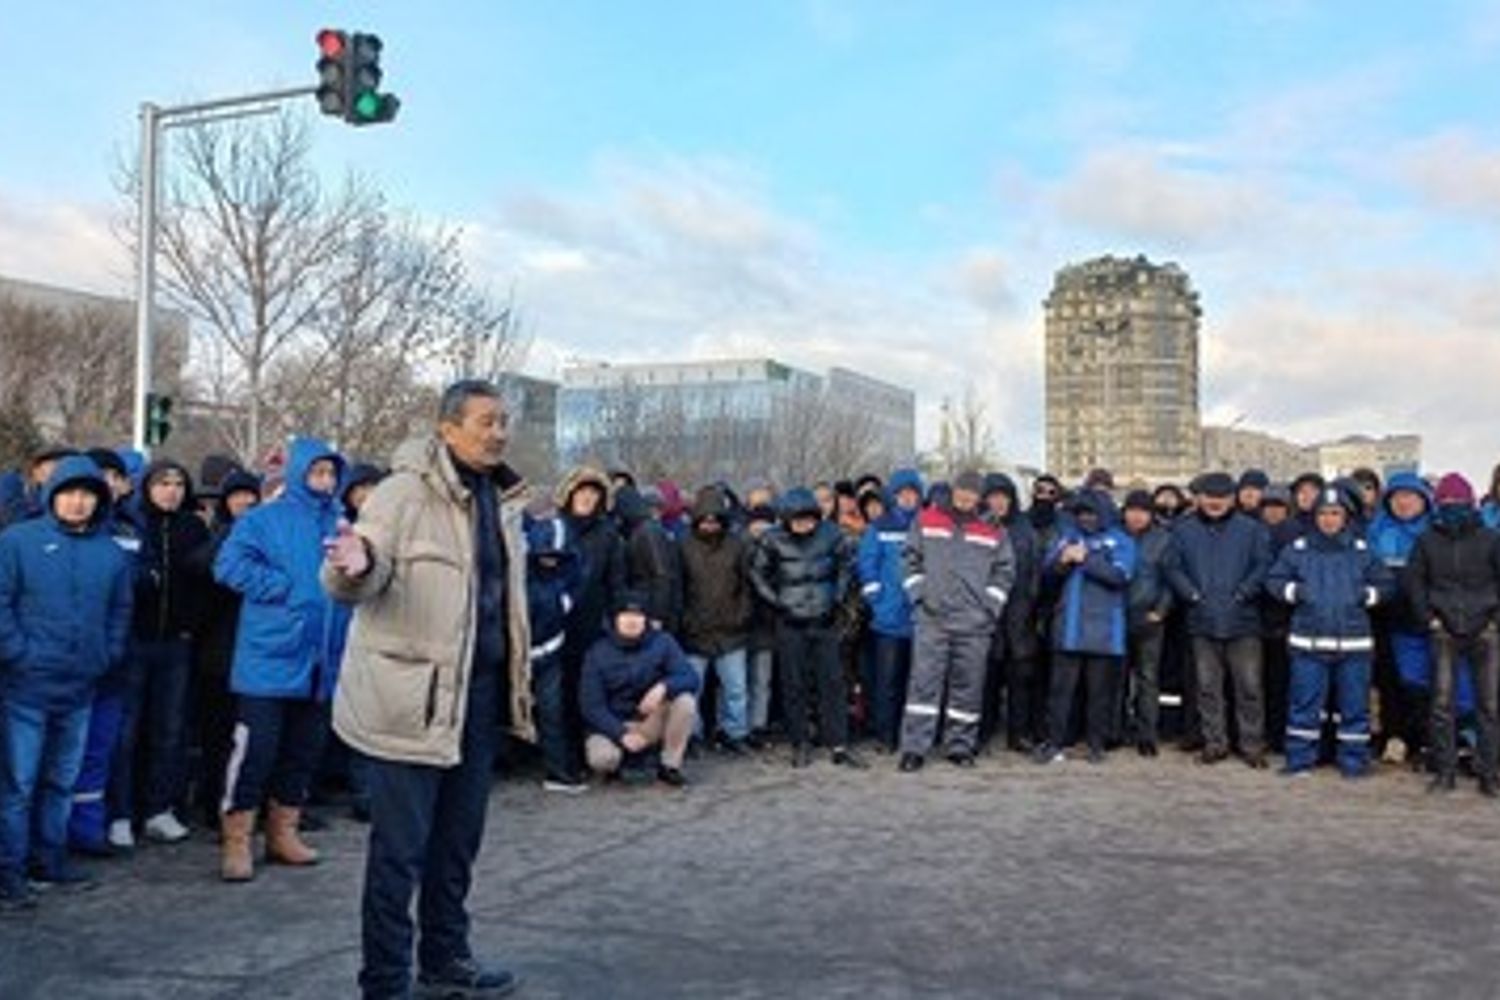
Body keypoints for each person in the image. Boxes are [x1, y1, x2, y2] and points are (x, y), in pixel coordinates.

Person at [323, 379, 533, 999]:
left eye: (503, 422)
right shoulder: (401, 493)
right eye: (485, 421)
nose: (498, 432)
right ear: (446, 428)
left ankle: (445, 960)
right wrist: (354, 565)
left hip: (479, 697)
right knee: (399, 852)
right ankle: (385, 982)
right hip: (407, 700)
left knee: (456, 845)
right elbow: (360, 568)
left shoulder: (503, 498)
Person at [0, 456, 132, 909]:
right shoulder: (17, 542)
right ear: (51, 494)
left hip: (81, 686)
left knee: (61, 780)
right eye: (69, 492)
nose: (78, 502)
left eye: (87, 493)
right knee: (19, 783)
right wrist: (18, 653)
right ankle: (10, 871)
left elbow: (120, 611)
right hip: (27, 686)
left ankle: (48, 860)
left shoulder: (111, 552)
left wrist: (106, 654)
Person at [214, 439, 346, 882]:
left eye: (330, 473)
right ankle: (236, 838)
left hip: (321, 660)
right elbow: (228, 565)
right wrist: (283, 589)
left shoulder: (342, 523)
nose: (324, 481)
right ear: (299, 474)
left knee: (302, 753)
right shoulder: (263, 519)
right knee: (255, 752)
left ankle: (282, 831)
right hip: (269, 657)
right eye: (317, 473)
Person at [1267, 487, 1396, 778]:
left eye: (1335, 513)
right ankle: (1300, 760)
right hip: (1308, 642)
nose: (1329, 519)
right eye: (1323, 513)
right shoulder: (1298, 550)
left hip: (1354, 644)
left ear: (1346, 517)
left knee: (1354, 707)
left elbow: (1387, 585)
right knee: (1304, 706)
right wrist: (1296, 592)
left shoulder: (1362, 552)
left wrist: (1366, 596)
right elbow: (1274, 580)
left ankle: (1354, 762)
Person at [115, 459, 210, 848]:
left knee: (169, 732)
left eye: (177, 482)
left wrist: (192, 625)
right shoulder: (132, 524)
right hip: (135, 642)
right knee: (127, 732)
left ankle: (158, 809)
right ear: (146, 486)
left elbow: (206, 582)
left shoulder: (193, 527)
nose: (171, 490)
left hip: (176, 644)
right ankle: (120, 812)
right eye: (162, 482)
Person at [896, 471, 1015, 771]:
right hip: (932, 619)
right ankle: (914, 749)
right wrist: (920, 597)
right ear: (953, 491)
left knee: (968, 687)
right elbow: (910, 558)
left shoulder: (994, 529)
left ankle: (960, 747)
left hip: (974, 624)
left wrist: (989, 608)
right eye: (961, 492)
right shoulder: (926, 519)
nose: (966, 498)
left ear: (980, 497)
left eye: (972, 494)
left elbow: (1005, 571)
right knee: (923, 685)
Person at [751, 488, 865, 770]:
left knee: (833, 685)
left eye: (809, 519)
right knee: (794, 685)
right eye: (798, 519)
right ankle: (799, 742)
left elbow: (846, 566)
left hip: (825, 620)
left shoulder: (832, 534)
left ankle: (838, 743)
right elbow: (757, 573)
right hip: (790, 622)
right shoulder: (772, 539)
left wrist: (837, 596)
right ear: (787, 519)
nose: (804, 525)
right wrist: (777, 602)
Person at [1167, 472, 1272, 768]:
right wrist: (1192, 595)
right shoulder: (1183, 530)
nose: (1215, 503)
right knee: (1207, 687)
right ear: (1199, 498)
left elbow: (1263, 565)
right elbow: (1172, 567)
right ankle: (1215, 743)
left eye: (1222, 497)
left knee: (1249, 687)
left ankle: (1251, 744)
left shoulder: (1251, 530)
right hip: (1202, 619)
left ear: (1232, 498)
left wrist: (1244, 593)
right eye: (1209, 497)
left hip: (1244, 620)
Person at [1404, 473, 1500, 796]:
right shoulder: (1427, 540)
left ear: (1471, 503)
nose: (1453, 508)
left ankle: (1489, 773)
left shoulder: (1490, 538)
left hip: (1485, 627)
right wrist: (1429, 618)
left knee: (1489, 705)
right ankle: (1445, 772)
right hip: (1443, 628)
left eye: (1459, 503)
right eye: (1446, 503)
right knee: (1442, 704)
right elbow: (1414, 582)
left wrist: (1495, 619)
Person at [180, 469, 261, 830]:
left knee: (250, 738)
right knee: (217, 736)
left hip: (255, 651)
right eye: (236, 496)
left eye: (250, 496)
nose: (244, 502)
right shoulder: (216, 536)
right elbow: (199, 567)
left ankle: (247, 807)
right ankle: (215, 804)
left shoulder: (265, 538)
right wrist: (234, 531)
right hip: (216, 651)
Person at [1033, 490, 1135, 765]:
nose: (1086, 518)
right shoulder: (1067, 537)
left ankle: (1096, 744)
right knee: (1060, 691)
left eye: (1090, 513)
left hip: (1105, 631)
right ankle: (1054, 742)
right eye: (1081, 514)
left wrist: (1085, 559)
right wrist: (1062, 563)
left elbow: (1120, 575)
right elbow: (1047, 575)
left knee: (1099, 693)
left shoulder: (1120, 540)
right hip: (1069, 627)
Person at [580, 592, 700, 787]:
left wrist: (663, 687)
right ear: (615, 619)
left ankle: (669, 767)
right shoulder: (597, 652)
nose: (632, 621)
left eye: (638, 615)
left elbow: (691, 677)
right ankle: (623, 763)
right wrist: (621, 734)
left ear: (646, 619)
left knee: (685, 702)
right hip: (612, 725)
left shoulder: (663, 642)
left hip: (649, 721)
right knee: (602, 759)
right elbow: (591, 706)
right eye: (625, 615)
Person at [554, 466, 625, 789]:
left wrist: (618, 621)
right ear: (570, 494)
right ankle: (563, 758)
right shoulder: (555, 528)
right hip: (554, 623)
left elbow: (616, 583)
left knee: (590, 691)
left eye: (594, 493)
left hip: (592, 625)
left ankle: (592, 754)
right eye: (581, 491)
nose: (586, 497)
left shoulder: (608, 535)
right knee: (558, 694)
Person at [679, 487, 753, 754]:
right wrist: (686, 619)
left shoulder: (736, 545)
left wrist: (742, 614)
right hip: (695, 629)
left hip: (731, 628)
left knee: (736, 689)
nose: (710, 524)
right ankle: (692, 734)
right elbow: (678, 586)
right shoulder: (683, 545)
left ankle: (734, 733)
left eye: (715, 519)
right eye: (705, 519)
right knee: (692, 689)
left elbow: (747, 584)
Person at [1367, 473, 1435, 766]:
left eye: (1411, 496)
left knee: (1423, 682)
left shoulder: (1434, 531)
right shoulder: (1376, 530)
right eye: (1397, 497)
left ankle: (1423, 738)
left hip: (1426, 617)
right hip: (1384, 616)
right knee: (1389, 680)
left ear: (1424, 500)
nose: (1404, 502)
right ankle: (1394, 735)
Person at [856, 469, 923, 753]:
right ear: (894, 496)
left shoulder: (926, 525)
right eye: (902, 492)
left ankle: (911, 735)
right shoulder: (880, 527)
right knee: (887, 682)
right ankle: (886, 736)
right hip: (888, 618)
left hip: (920, 616)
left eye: (913, 492)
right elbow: (867, 563)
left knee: (916, 683)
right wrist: (876, 598)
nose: (908, 497)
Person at [979, 473, 1043, 753]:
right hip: (986, 609)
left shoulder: (1024, 528)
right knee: (986, 676)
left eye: (1003, 496)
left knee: (1020, 676)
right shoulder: (977, 527)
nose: (998, 502)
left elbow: (1035, 569)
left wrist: (1032, 603)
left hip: (1019, 609)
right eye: (993, 496)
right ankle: (982, 731)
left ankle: (1018, 734)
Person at [524, 513, 582, 793]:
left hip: (550, 649)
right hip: (518, 652)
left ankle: (557, 770)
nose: (549, 560)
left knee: (552, 712)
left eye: (555, 556)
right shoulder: (522, 575)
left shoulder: (568, 575)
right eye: (543, 555)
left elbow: (576, 585)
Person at [1121, 490, 1174, 755]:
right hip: (1116, 617)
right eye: (1132, 510)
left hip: (1149, 616)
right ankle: (1116, 730)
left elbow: (1169, 579)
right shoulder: (1115, 536)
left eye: (1143, 511)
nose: (1137, 516)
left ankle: (1147, 735)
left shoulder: (1163, 540)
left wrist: (1161, 611)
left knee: (1148, 678)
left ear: (1151, 514)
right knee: (1116, 678)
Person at [614, 484, 682, 635]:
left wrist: (658, 615)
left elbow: (662, 575)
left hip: (652, 608)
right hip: (647, 604)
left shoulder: (647, 531)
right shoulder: (642, 530)